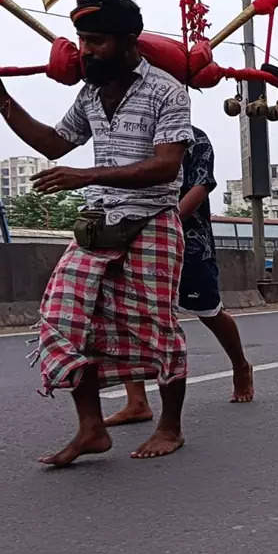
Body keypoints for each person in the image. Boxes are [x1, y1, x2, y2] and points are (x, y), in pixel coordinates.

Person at [0, 0, 193, 465]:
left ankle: (170, 426)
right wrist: (2, 100)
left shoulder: (167, 91)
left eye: (97, 41)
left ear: (129, 39)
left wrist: (87, 174)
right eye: (83, 40)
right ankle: (91, 429)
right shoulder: (91, 93)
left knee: (158, 326)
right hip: (98, 223)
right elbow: (56, 144)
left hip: (153, 220)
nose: (87, 51)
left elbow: (165, 167)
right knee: (64, 318)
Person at [104, 126, 254, 427]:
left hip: (187, 238)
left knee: (208, 310)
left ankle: (240, 365)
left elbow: (200, 186)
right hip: (131, 234)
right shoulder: (131, 136)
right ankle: (136, 400)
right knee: (126, 314)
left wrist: (166, 224)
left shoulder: (194, 137)